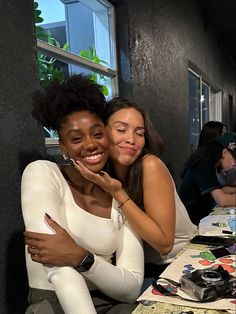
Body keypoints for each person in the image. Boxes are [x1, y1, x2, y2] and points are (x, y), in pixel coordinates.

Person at [25, 97, 196, 289]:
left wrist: (117, 193)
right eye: (121, 130)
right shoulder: (103, 174)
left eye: (139, 133)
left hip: (180, 261)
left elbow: (164, 244)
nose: (131, 139)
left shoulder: (149, 166)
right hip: (146, 269)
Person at [21, 75, 144, 314]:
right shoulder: (42, 173)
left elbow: (130, 287)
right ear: (63, 147)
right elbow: (59, 269)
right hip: (55, 302)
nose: (90, 144)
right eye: (76, 139)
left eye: (97, 134)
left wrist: (81, 257)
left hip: (111, 301)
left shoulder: (119, 196)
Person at [179, 132, 236, 225]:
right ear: (224, 152)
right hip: (193, 221)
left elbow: (221, 190)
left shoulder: (210, 162)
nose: (234, 165)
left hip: (202, 216)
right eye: (234, 160)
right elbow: (222, 200)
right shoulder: (203, 165)